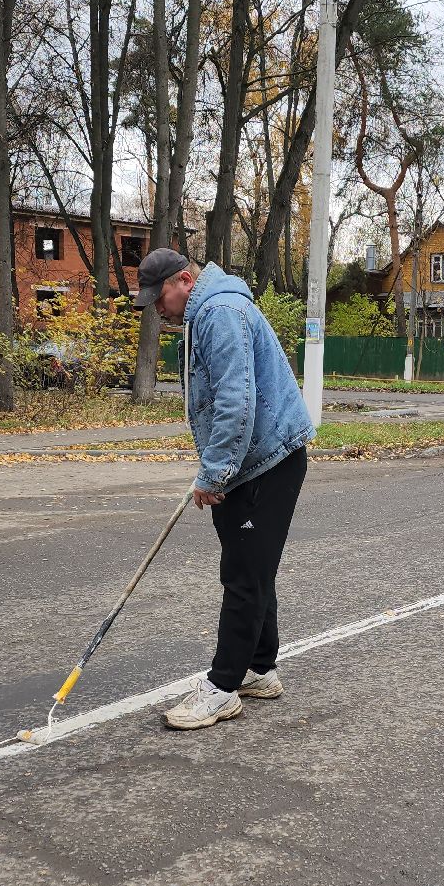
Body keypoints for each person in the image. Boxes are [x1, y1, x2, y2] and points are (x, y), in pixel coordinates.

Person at [135, 247, 315, 731]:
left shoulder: (219, 314)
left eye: (160, 296)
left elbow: (236, 401)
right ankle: (259, 668)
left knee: (243, 574)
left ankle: (222, 688)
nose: (157, 308)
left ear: (185, 280)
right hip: (258, 459)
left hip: (264, 463)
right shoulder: (210, 310)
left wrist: (214, 474)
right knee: (253, 568)